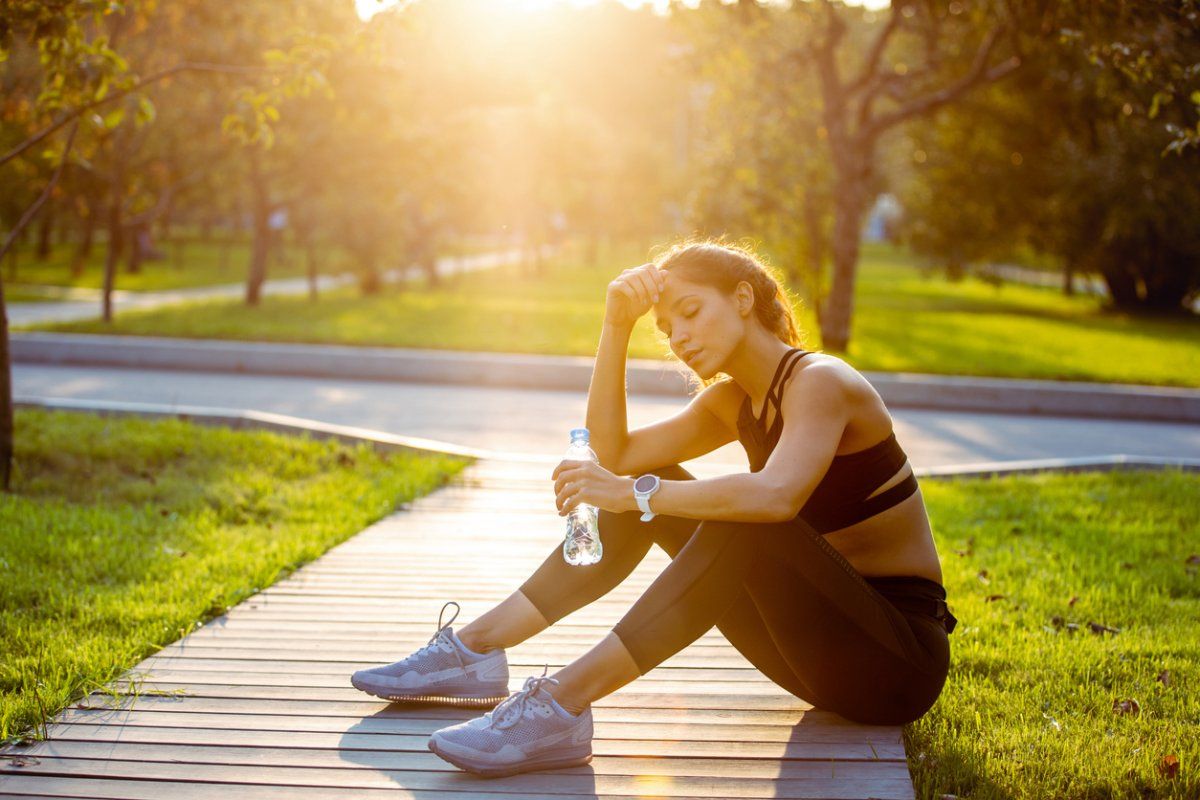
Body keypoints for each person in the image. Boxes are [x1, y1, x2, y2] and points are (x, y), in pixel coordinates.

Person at [350, 238, 958, 779]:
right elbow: (614, 454)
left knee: (744, 516)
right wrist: (615, 326)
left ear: (743, 298)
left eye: (691, 312)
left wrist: (629, 492)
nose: (680, 338)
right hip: (815, 660)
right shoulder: (733, 404)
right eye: (666, 330)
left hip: (897, 664)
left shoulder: (822, 381)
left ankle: (561, 702)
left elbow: (775, 497)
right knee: (656, 479)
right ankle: (478, 648)